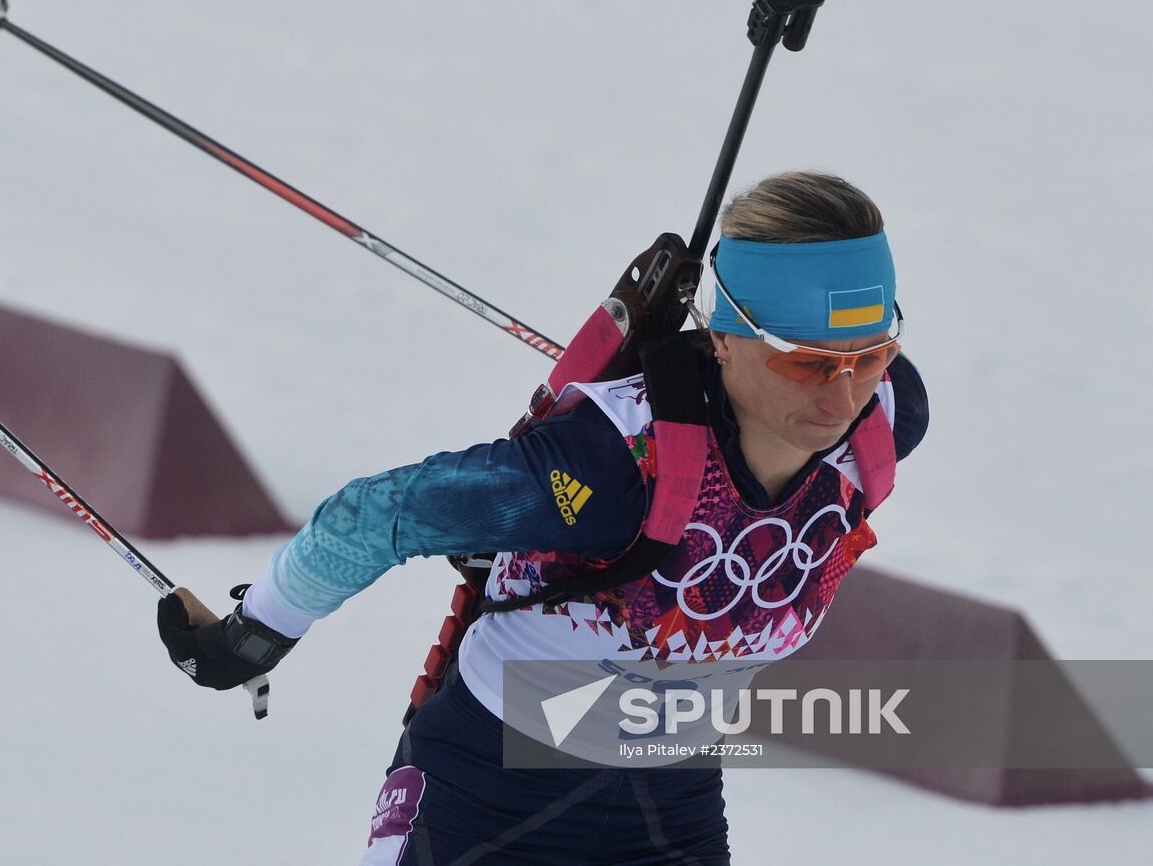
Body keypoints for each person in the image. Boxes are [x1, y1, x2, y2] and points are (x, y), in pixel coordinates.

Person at [157, 170, 929, 864]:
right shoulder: (606, 469)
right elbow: (378, 513)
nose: (842, 395)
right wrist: (253, 631)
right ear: (723, 338)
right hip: (489, 795)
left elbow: (856, 381)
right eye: (807, 361)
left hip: (670, 811)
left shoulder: (887, 422)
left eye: (872, 353)